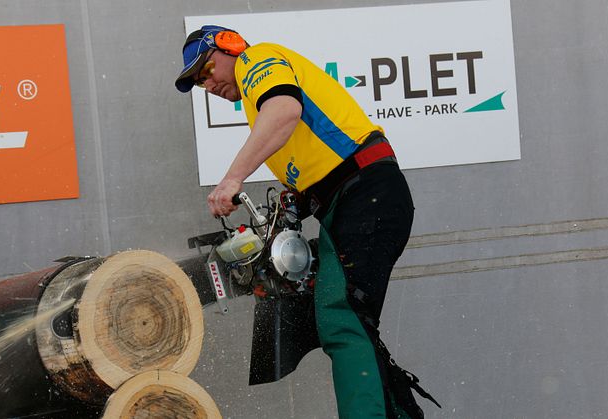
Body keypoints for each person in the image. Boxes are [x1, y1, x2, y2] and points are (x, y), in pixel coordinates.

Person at [175, 25, 439, 418]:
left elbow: (284, 110)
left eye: (207, 69)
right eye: (198, 82)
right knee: (351, 320)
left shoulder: (256, 59)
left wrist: (233, 178)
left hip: (365, 193)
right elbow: (308, 157)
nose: (206, 84)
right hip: (350, 202)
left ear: (229, 46)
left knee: (343, 316)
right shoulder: (255, 104)